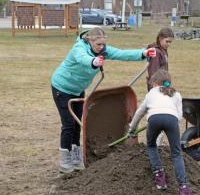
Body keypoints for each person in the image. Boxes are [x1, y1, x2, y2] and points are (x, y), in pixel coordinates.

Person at [51, 27, 156, 173]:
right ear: (90, 40)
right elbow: (82, 58)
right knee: (68, 124)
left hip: (77, 90)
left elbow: (121, 53)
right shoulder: (79, 48)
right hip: (62, 88)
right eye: (98, 44)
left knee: (77, 125)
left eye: (103, 44)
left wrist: (143, 53)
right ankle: (65, 160)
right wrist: (93, 61)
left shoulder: (103, 50)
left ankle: (75, 157)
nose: (101, 48)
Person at [128, 69, 197, 195]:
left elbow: (139, 113)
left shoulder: (151, 93)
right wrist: (169, 124)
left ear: (154, 83)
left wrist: (132, 129)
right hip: (172, 120)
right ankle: (184, 190)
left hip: (153, 119)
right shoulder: (176, 94)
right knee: (176, 153)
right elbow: (179, 115)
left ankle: (159, 176)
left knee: (151, 145)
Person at [146, 27, 174, 146]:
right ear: (160, 38)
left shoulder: (162, 50)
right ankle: (154, 144)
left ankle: (157, 143)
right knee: (158, 115)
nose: (168, 44)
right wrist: (157, 90)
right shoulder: (156, 52)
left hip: (163, 87)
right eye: (167, 41)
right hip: (156, 89)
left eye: (170, 42)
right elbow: (154, 73)